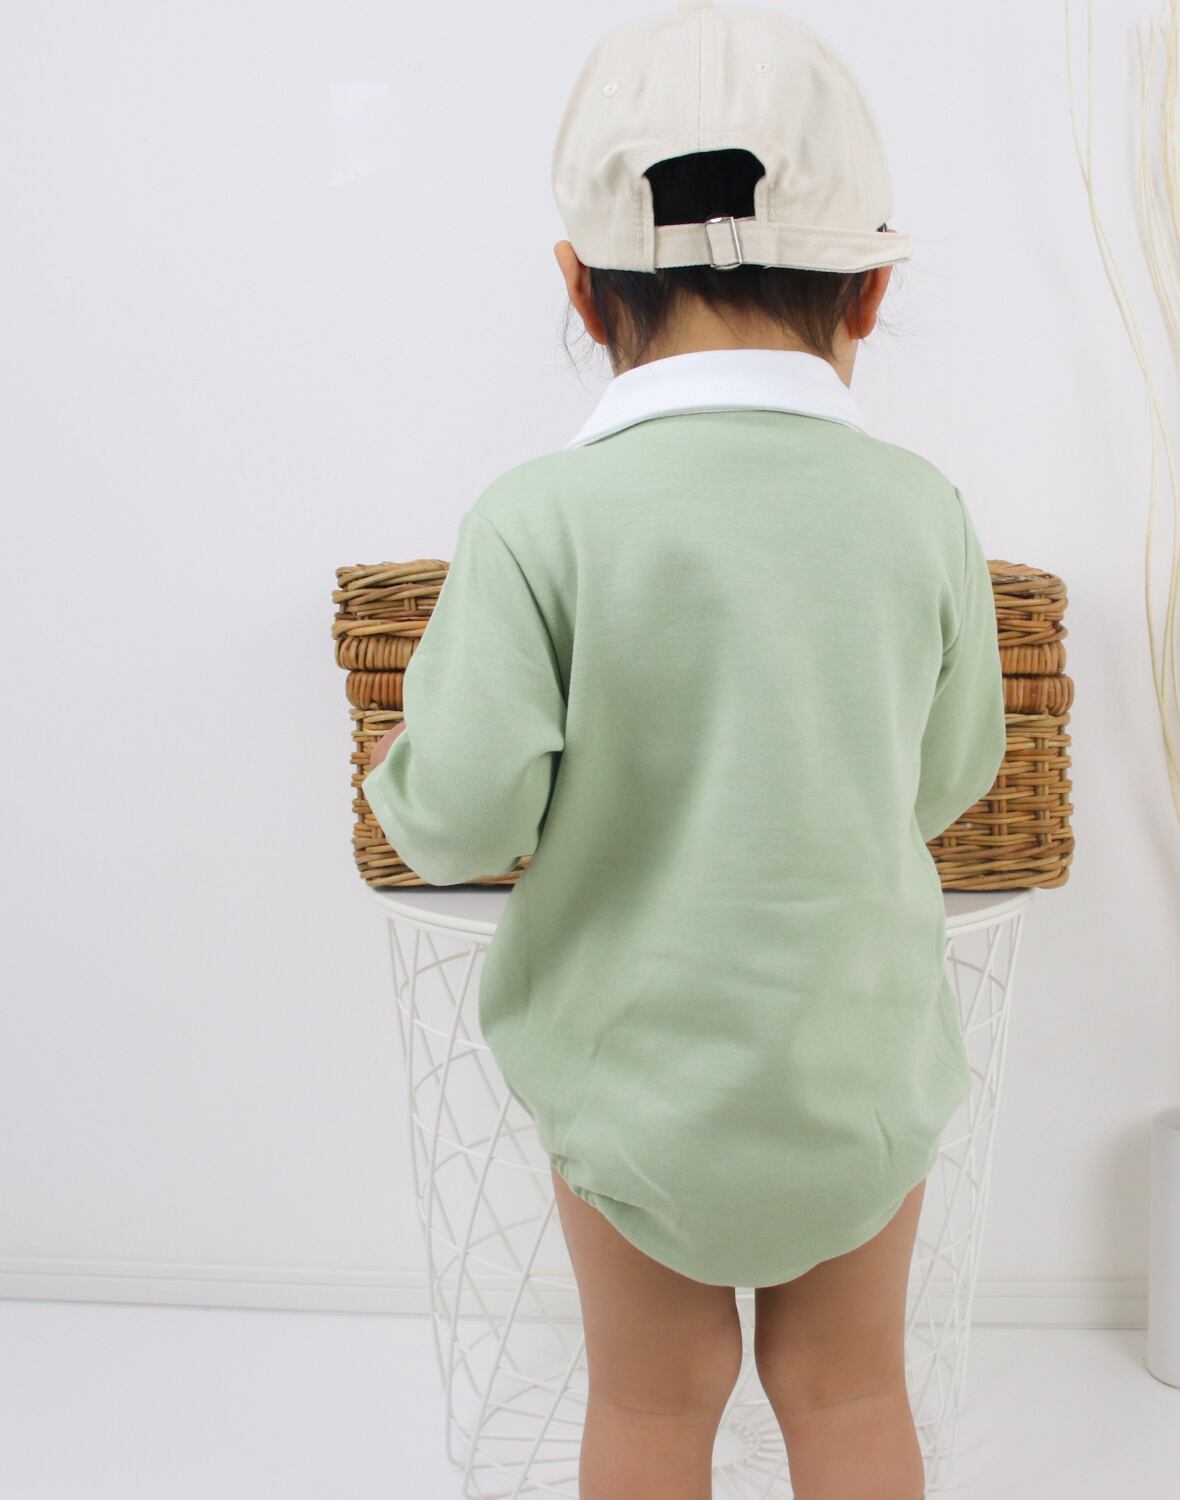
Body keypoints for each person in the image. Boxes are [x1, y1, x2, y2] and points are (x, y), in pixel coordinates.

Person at [360, 3, 1007, 1496]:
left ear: (579, 289)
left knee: (653, 1409)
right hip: (854, 1067)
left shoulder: (537, 519)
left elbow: (454, 818)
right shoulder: (922, 510)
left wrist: (411, 753)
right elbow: (947, 778)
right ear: (871, 290)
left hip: (634, 1079)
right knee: (852, 1393)